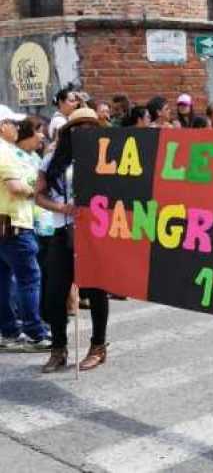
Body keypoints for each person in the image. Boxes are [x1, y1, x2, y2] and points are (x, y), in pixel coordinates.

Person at [36, 108, 110, 372]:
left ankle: (98, 347)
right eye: (79, 126)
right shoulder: (53, 159)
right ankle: (58, 349)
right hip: (62, 232)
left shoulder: (107, 157)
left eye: (90, 125)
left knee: (96, 291)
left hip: (95, 234)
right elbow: (39, 196)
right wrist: (62, 209)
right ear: (69, 130)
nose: (84, 130)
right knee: (55, 294)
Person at [0, 109, 51, 351]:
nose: (18, 129)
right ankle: (35, 333)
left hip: (3, 224)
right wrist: (36, 193)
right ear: (3, 126)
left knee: (3, 280)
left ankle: (8, 331)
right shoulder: (4, 151)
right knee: (29, 279)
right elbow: (16, 187)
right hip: (14, 224)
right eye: (14, 124)